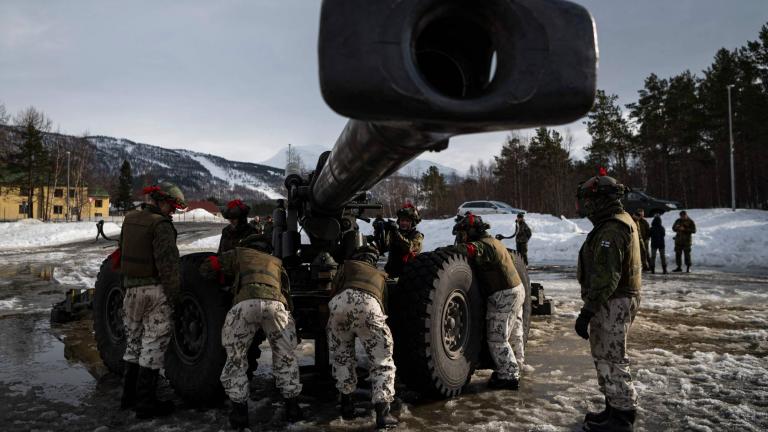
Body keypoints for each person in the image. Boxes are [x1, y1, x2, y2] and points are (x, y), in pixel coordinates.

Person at [199, 234, 303, 429]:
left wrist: (222, 277)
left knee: (236, 358)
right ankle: (293, 408)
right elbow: (287, 293)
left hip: (244, 304)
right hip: (276, 305)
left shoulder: (239, 253)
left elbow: (208, 267)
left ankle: (239, 414)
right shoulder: (276, 262)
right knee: (285, 356)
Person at [574, 173, 641, 432]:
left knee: (613, 357)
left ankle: (623, 417)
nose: (585, 206)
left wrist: (587, 312)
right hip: (613, 300)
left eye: (588, 200)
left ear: (600, 201)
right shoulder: (616, 222)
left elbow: (607, 276)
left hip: (613, 301)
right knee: (605, 355)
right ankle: (614, 407)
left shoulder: (613, 229)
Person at [118, 182, 186, 418]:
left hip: (131, 292)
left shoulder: (129, 219)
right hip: (155, 291)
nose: (172, 211)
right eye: (171, 206)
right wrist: (175, 297)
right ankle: (146, 404)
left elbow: (121, 251)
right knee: (153, 345)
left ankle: (128, 398)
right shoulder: (161, 225)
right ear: (159, 201)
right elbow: (168, 265)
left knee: (133, 343)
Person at [452, 212, 525, 390]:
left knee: (497, 337)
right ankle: (517, 363)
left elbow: (467, 250)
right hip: (515, 290)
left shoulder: (484, 245)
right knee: (515, 332)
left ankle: (509, 376)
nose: (461, 237)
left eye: (463, 232)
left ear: (471, 231)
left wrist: (446, 251)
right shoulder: (493, 241)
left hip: (503, 294)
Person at [327, 245, 398, 429]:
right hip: (369, 305)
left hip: (339, 305)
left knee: (342, 357)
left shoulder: (346, 267)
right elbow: (384, 304)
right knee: (381, 360)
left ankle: (346, 405)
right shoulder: (379, 275)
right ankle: (383, 413)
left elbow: (333, 290)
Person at [384, 203, 423, 278]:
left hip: (408, 276)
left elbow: (409, 248)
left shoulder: (417, 236)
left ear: (413, 223)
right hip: (391, 273)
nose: (404, 223)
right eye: (402, 220)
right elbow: (385, 247)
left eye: (407, 221)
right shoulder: (395, 232)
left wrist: (396, 233)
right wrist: (384, 231)